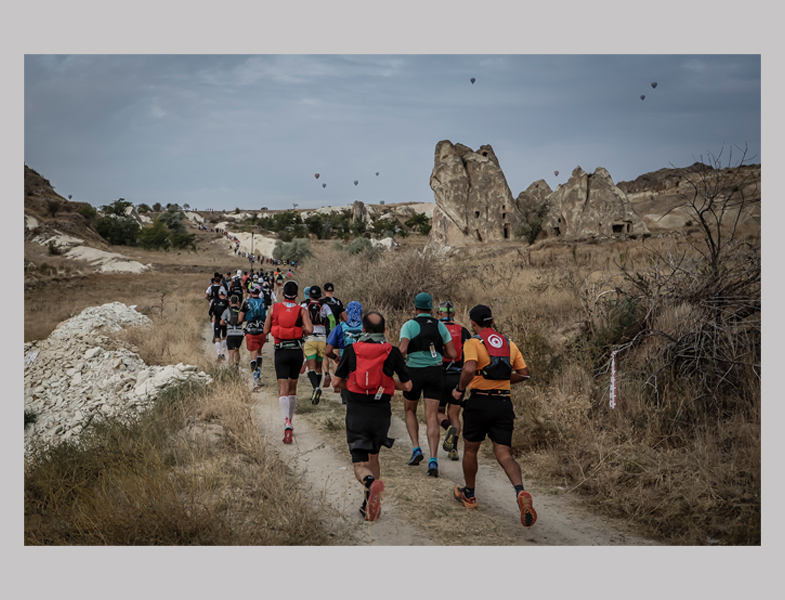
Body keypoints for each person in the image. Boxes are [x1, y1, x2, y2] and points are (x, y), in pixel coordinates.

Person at [451, 304, 536, 527]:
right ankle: (520, 491)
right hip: (503, 404)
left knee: (471, 449)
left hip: (479, 402)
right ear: (493, 320)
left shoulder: (473, 342)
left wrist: (460, 389)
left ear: (473, 323)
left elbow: (469, 369)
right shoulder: (510, 344)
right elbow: (525, 375)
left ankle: (469, 495)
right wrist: (506, 381)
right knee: (504, 454)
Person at [332, 311, 412, 522]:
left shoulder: (351, 350)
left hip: (357, 413)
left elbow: (336, 383)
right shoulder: (392, 352)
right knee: (374, 457)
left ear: (363, 330)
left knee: (360, 465)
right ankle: (369, 505)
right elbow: (408, 385)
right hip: (381, 414)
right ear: (385, 330)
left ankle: (369, 482)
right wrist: (385, 384)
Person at [398, 292, 456, 478]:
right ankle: (433, 459)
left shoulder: (409, 325)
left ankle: (416, 448)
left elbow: (403, 349)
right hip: (435, 372)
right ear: (432, 309)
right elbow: (453, 353)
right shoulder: (440, 325)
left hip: (413, 372)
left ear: (415, 308)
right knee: (431, 416)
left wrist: (395, 363)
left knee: (409, 410)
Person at [263, 280, 313, 444]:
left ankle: (286, 423)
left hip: (281, 351)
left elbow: (265, 330)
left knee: (282, 389)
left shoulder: (274, 308)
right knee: (293, 389)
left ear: (283, 293)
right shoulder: (302, 310)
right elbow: (310, 330)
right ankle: (290, 421)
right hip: (296, 352)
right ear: (297, 294)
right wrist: (298, 331)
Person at [436, 301, 472, 461]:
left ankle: (447, 427)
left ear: (440, 313)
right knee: (454, 414)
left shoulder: (436, 328)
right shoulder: (463, 331)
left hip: (440, 375)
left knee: (437, 412)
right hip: (459, 377)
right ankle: (454, 449)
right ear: (454, 314)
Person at [301, 285, 336, 405]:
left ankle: (315, 388)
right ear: (320, 296)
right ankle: (316, 389)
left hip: (309, 338)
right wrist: (331, 333)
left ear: (309, 295)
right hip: (322, 339)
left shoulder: (304, 306)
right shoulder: (325, 306)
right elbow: (332, 319)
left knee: (310, 367)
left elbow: (299, 320)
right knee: (318, 367)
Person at [325, 301, 364, 405]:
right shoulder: (366, 328)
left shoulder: (340, 327)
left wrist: (336, 357)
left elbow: (327, 351)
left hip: (346, 363)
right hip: (364, 364)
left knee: (348, 397)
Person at [240, 284, 268, 390]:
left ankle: (255, 380)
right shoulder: (264, 302)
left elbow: (240, 318)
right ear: (259, 292)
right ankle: (259, 377)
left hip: (251, 331)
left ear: (250, 292)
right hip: (262, 331)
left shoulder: (246, 302)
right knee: (259, 353)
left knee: (253, 356)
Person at [220, 294, 245, 367]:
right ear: (238, 302)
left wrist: (227, 324)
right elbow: (244, 319)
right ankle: (237, 366)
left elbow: (221, 322)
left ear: (230, 302)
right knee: (237, 350)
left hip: (230, 333)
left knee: (231, 352)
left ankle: (231, 367)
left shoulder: (227, 311)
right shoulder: (241, 311)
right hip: (239, 333)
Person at [209, 288, 229, 361]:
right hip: (225, 322)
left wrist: (212, 316)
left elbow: (210, 311)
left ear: (218, 293)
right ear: (225, 293)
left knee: (217, 337)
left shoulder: (215, 301)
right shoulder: (227, 301)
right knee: (224, 337)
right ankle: (223, 354)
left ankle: (218, 354)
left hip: (217, 321)